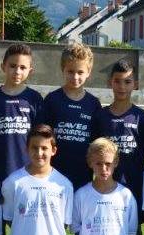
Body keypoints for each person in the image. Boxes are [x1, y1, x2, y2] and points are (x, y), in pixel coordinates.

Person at [92, 60, 144, 235]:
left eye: (127, 81)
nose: (122, 86)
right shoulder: (100, 117)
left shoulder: (142, 118)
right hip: (106, 191)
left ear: (135, 84)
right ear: (110, 82)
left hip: (134, 190)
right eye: (117, 81)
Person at [42, 42, 102, 190]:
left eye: (80, 72)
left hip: (82, 175)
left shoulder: (93, 104)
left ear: (88, 72)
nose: (75, 77)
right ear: (63, 69)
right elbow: (43, 137)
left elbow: (96, 142)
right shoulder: (52, 100)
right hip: (53, 175)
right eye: (70, 71)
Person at [0, 43, 43, 187]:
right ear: (3, 66)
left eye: (22, 67)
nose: (17, 71)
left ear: (30, 70)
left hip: (27, 173)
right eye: (12, 66)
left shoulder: (34, 99)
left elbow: (40, 139)